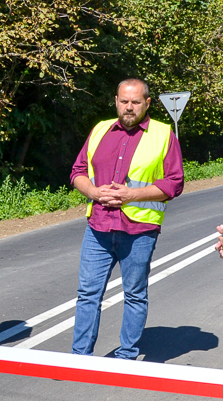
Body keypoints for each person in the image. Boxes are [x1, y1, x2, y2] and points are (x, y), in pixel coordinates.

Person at [71, 78, 184, 359]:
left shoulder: (163, 134)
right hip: (98, 226)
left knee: (134, 295)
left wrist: (130, 196)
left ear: (147, 103)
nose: (129, 107)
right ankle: (79, 357)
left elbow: (174, 183)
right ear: (116, 101)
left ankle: (126, 357)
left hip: (139, 231)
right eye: (124, 101)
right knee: (88, 294)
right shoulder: (100, 130)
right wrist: (95, 192)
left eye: (135, 102)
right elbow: (77, 172)